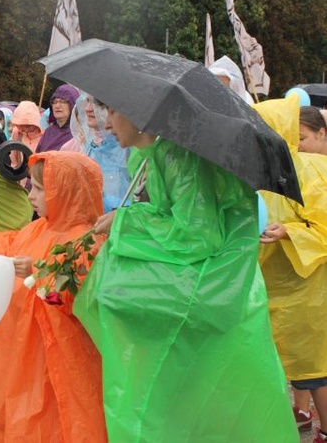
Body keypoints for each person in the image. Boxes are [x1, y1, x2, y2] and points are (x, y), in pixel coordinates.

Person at [73, 103, 298, 441]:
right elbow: (177, 214)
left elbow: (196, 234)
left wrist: (127, 219)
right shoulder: (156, 156)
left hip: (208, 288)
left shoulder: (180, 158)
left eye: (114, 112)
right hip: (209, 289)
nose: (107, 124)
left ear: (140, 115)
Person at [0, 151, 108, 441]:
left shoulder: (87, 242)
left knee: (49, 422)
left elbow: (66, 298)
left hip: (55, 359)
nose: (30, 195)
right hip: (12, 351)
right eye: (32, 186)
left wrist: (38, 272)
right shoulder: (38, 227)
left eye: (40, 188)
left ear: (66, 191)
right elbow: (7, 245)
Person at [255, 97, 327, 441]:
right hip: (268, 283)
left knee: (314, 370)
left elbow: (324, 226)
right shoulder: (264, 171)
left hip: (305, 290)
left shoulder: (311, 170)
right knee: (274, 365)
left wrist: (289, 231)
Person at [62, 93, 130, 212]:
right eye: (87, 101)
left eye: (97, 103)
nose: (88, 109)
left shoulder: (129, 149)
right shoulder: (89, 147)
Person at [36, 84, 78, 152]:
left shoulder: (78, 134)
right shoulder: (49, 132)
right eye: (54, 102)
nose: (57, 106)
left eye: (62, 101)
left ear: (73, 104)